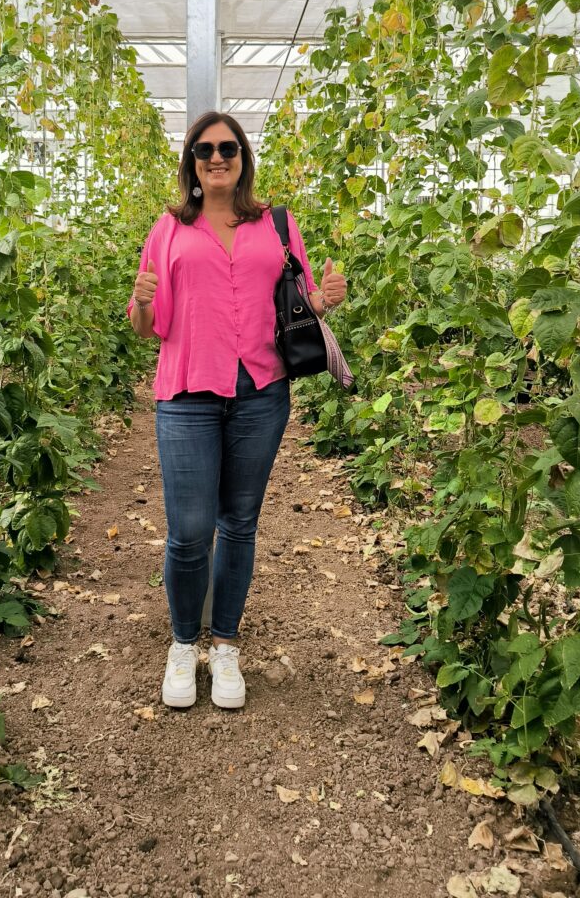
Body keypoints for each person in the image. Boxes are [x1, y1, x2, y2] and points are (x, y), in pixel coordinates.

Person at [127, 110, 347, 710]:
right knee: (190, 532)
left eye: (227, 147)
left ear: (243, 156)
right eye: (204, 150)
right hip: (188, 390)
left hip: (260, 389)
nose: (216, 157)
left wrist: (322, 303)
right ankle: (182, 644)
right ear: (192, 163)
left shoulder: (276, 224)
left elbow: (296, 307)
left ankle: (224, 644)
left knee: (240, 523)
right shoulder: (170, 228)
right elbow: (151, 325)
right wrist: (143, 303)